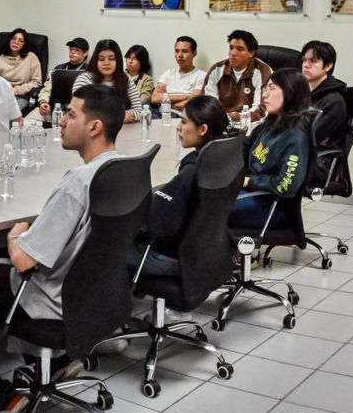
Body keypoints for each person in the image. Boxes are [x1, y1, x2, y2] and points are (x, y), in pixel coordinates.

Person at [0, 84, 125, 390]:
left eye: (71, 114)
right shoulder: (123, 167)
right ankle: (58, 360)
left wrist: (16, 234)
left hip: (51, 299)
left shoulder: (79, 182)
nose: (61, 122)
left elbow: (23, 260)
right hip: (96, 292)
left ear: (95, 127)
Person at [134, 95, 231, 277]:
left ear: (202, 129)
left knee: (104, 242)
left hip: (174, 258)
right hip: (209, 252)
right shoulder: (223, 157)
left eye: (184, 122)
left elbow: (157, 222)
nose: (178, 127)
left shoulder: (193, 170)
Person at [230, 69, 313, 228]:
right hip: (252, 194)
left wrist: (249, 181)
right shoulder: (267, 126)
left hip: (272, 206)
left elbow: (287, 185)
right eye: (265, 88)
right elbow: (243, 149)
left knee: (210, 208)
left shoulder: (295, 136)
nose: (265, 94)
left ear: (290, 93)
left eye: (272, 88)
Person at [203, 29, 271, 121]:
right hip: (221, 122)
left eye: (240, 49)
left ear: (251, 53)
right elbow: (209, 104)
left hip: (251, 124)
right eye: (231, 48)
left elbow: (262, 110)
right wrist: (224, 119)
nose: (233, 53)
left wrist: (237, 118)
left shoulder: (262, 72)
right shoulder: (216, 70)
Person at [69, 39, 143, 123]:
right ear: (95, 61)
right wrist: (119, 117)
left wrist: (106, 116)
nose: (106, 63)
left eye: (111, 59)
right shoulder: (85, 79)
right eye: (101, 59)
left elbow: (139, 111)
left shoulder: (126, 79)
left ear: (118, 61)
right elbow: (80, 111)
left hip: (124, 129)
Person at [300, 40, 348, 151]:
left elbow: (307, 139)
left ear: (328, 66)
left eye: (313, 61)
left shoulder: (334, 101)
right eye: (304, 60)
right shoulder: (300, 92)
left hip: (317, 157)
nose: (306, 65)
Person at [149, 36, 207, 111]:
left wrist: (166, 100)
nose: (180, 55)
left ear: (194, 53)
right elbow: (154, 99)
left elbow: (195, 103)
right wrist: (186, 96)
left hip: (183, 116)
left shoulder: (201, 76)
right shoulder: (168, 73)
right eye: (177, 51)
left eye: (185, 51)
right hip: (160, 115)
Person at [33, 37, 91, 111]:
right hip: (54, 108)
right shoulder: (58, 69)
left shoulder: (88, 72)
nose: (72, 52)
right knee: (31, 117)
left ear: (85, 53)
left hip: (77, 111)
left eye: (77, 50)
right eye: (71, 49)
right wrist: (43, 101)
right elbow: (47, 89)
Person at [0, 27, 43, 104]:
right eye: (14, 38)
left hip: (22, 96)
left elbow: (36, 82)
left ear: (24, 44)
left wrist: (15, 91)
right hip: (2, 96)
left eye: (20, 41)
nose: (16, 42)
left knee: (10, 109)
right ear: (9, 40)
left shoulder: (31, 57)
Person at [125, 44, 156, 115]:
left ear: (142, 62)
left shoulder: (147, 79)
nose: (130, 61)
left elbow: (144, 101)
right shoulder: (120, 76)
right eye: (128, 57)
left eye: (135, 59)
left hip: (137, 112)